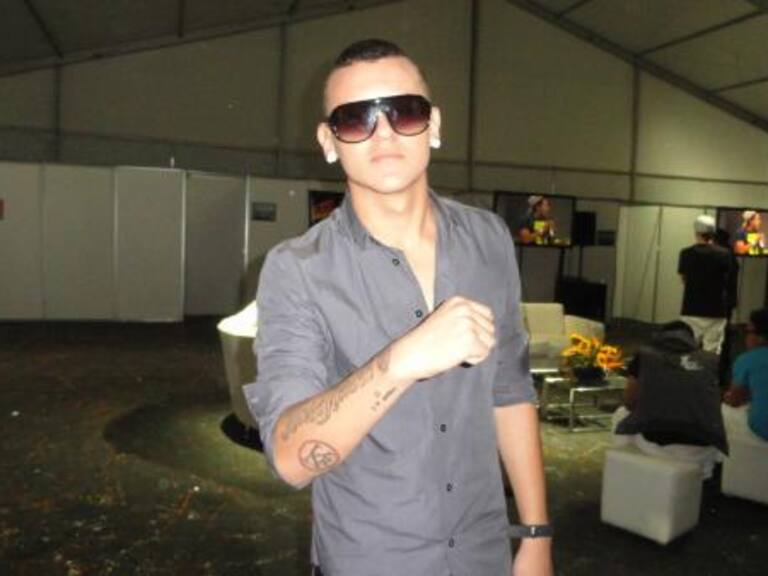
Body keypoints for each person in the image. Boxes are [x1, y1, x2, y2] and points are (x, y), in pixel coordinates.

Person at [245, 39, 552, 576]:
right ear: (328, 141)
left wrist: (536, 534)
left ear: (433, 125)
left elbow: (510, 391)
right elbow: (292, 459)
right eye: (355, 119)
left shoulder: (487, 239)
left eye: (404, 112)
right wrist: (401, 361)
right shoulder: (297, 270)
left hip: (483, 553)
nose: (383, 133)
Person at [612, 321, 728, 479]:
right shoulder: (713, 360)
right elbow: (717, 402)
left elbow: (630, 402)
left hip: (659, 443)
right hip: (702, 447)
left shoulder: (646, 356)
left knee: (621, 414)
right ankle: (705, 474)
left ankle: (624, 472)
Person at [678, 214, 735, 354]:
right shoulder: (725, 254)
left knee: (687, 350)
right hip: (716, 310)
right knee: (712, 352)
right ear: (713, 233)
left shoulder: (686, 253)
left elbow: (683, 279)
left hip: (691, 308)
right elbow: (728, 279)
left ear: (696, 232)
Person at [723, 308, 768, 441]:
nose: (745, 337)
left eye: (747, 332)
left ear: (761, 337)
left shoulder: (747, 360)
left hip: (762, 430)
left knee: (726, 411)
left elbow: (734, 400)